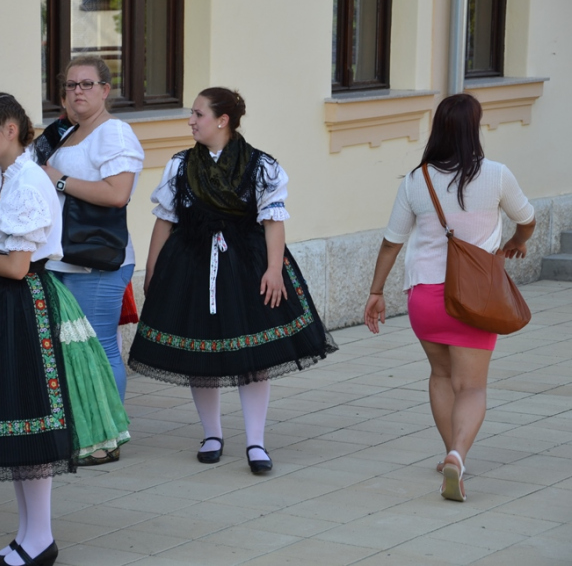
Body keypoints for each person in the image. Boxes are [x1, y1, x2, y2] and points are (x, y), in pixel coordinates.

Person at [0, 92, 129, 566]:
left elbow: (15, 266)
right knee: (14, 423)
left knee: (29, 419)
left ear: (11, 130)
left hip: (24, 301)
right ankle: (30, 536)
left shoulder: (29, 181)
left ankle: (39, 538)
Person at [129, 87, 337, 474]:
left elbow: (273, 221)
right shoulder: (180, 165)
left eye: (199, 114)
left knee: (252, 355)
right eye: (192, 114)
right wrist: (154, 268)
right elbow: (165, 220)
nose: (191, 121)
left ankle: (256, 441)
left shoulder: (261, 165)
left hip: (245, 265)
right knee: (199, 350)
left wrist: (273, 270)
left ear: (222, 120)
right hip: (190, 263)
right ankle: (212, 434)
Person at [363, 93, 535, 502]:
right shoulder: (496, 175)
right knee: (471, 386)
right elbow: (527, 219)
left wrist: (376, 291)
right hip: (476, 299)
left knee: (441, 376)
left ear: (438, 128)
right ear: (474, 129)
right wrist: (516, 241)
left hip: (425, 297)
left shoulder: (416, 180)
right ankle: (458, 454)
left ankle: (449, 455)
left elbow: (391, 242)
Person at [41, 56, 144, 413]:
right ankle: (86, 426)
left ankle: (109, 429)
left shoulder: (114, 132)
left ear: (105, 90)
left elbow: (117, 193)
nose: (77, 91)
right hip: (65, 256)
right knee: (73, 348)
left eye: (87, 84)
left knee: (98, 346)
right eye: (71, 85)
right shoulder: (69, 131)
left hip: (97, 259)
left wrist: (59, 180)